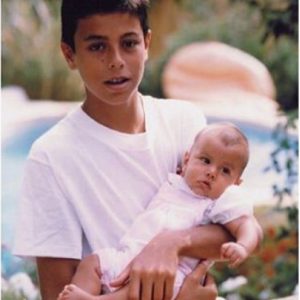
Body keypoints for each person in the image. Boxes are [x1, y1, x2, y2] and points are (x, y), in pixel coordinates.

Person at [13, 1, 263, 299]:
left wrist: (170, 243)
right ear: (70, 54)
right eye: (97, 47)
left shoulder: (187, 124)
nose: (116, 60)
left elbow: (232, 229)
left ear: (147, 43)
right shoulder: (51, 156)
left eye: (129, 43)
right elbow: (59, 294)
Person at [56, 122, 258, 300]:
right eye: (205, 160)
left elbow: (247, 224)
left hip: (173, 275)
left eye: (225, 171)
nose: (211, 172)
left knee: (143, 289)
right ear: (187, 160)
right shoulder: (175, 182)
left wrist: (242, 246)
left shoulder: (218, 202)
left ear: (236, 184)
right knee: (94, 262)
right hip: (127, 257)